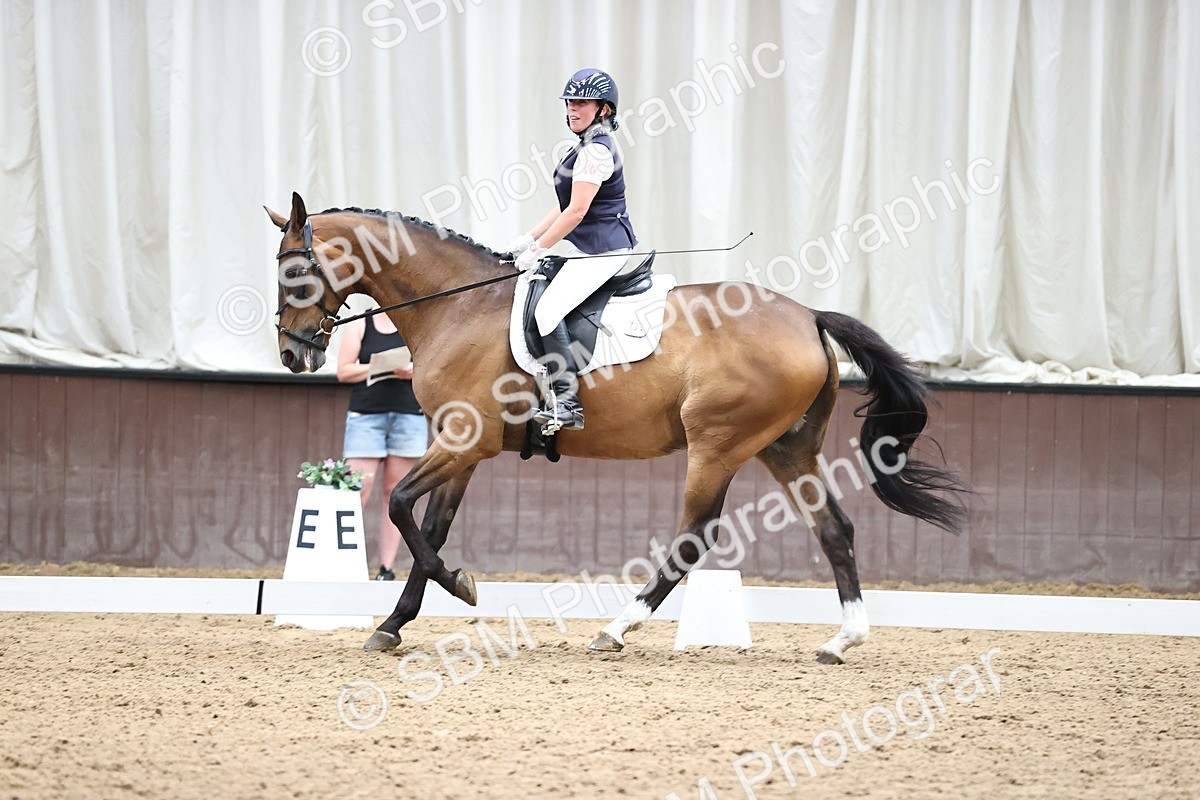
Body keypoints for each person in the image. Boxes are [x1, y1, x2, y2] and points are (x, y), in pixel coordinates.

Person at [506, 67, 640, 433]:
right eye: (569, 102)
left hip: (605, 250)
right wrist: (527, 238)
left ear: (604, 109)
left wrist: (538, 248)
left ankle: (567, 403)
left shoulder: (596, 151)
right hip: (589, 247)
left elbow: (578, 212)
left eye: (581, 102)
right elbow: (565, 204)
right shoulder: (580, 148)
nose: (571, 108)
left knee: (547, 313)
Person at [336, 312, 425, 581]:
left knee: (395, 495)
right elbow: (344, 371)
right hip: (367, 416)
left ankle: (386, 568)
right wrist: (385, 368)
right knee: (356, 491)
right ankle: (343, 563)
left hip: (409, 416)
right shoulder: (360, 323)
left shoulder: (417, 321)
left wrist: (412, 371)